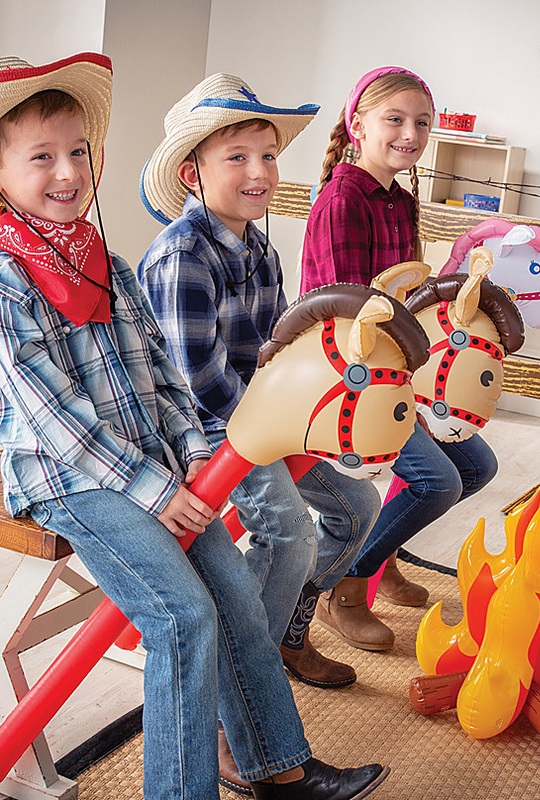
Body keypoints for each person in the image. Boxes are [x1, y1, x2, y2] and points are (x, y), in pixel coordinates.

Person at [0, 53, 387, 800]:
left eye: (77, 152)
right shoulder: (7, 278)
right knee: (180, 618)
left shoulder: (107, 265)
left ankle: (281, 768)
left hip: (149, 464)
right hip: (65, 477)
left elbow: (169, 380)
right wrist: (154, 487)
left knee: (236, 597)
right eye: (40, 156)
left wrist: (192, 453)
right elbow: (53, 416)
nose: (67, 172)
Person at [137, 74, 383, 791]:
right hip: (211, 434)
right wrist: (286, 426)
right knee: (292, 534)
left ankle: (264, 632)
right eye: (237, 157)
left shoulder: (262, 252)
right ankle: (229, 711)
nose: (258, 173)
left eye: (268, 157)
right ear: (194, 173)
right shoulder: (186, 253)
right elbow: (200, 385)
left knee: (359, 506)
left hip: (266, 418)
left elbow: (280, 350)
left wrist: (314, 416)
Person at [301, 66, 499, 651]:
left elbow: (404, 294)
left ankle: (379, 555)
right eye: (395, 119)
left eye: (422, 123)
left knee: (476, 466)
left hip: (393, 364)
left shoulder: (398, 199)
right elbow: (349, 308)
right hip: (350, 374)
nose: (410, 133)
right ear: (356, 125)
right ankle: (346, 587)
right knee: (437, 481)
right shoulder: (343, 200)